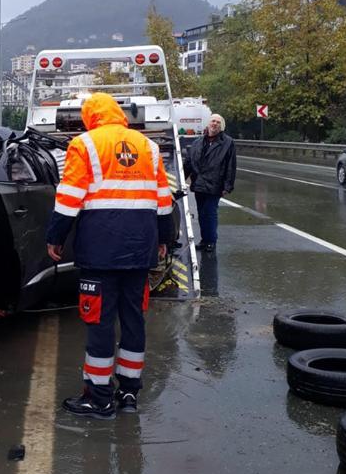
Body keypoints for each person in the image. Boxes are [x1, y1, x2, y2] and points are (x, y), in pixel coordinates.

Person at [46, 92, 173, 420]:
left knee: (100, 322)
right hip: (140, 251)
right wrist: (164, 239)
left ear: (91, 117)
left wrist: (55, 238)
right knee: (134, 320)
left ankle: (99, 398)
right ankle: (129, 392)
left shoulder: (85, 145)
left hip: (101, 252)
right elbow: (163, 198)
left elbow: (70, 196)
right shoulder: (148, 146)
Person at [183, 112, 236, 253]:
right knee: (201, 214)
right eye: (213, 121)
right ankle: (204, 240)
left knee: (210, 213)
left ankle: (211, 241)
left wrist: (228, 186)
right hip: (199, 184)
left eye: (218, 122)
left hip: (215, 184)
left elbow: (231, 166)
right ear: (208, 124)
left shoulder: (228, 143)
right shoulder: (198, 142)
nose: (215, 124)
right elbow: (189, 163)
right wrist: (180, 180)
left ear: (222, 126)